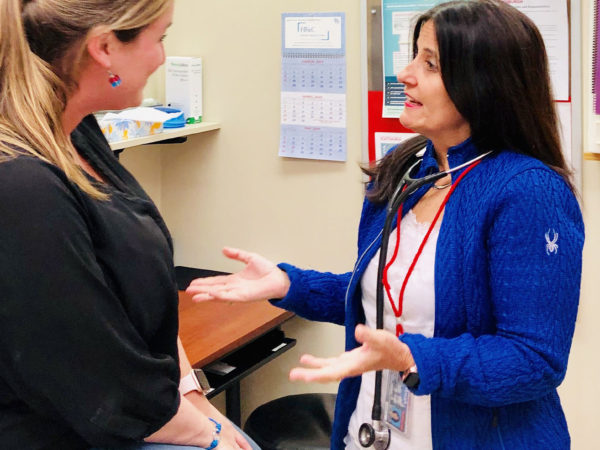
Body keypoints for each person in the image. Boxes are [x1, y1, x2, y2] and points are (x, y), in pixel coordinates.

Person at [186, 1, 585, 449]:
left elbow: (534, 359)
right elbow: (386, 300)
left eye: (430, 63)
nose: (406, 73)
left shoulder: (528, 191)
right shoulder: (407, 171)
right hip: (374, 431)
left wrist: (412, 357)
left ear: (485, 82)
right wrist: (287, 284)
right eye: (414, 55)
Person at [0, 1, 256, 449]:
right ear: (103, 48)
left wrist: (195, 398)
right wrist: (209, 434)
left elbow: (142, 296)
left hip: (148, 411)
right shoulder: (22, 184)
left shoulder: (77, 132)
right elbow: (97, 384)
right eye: (159, 39)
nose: (161, 57)